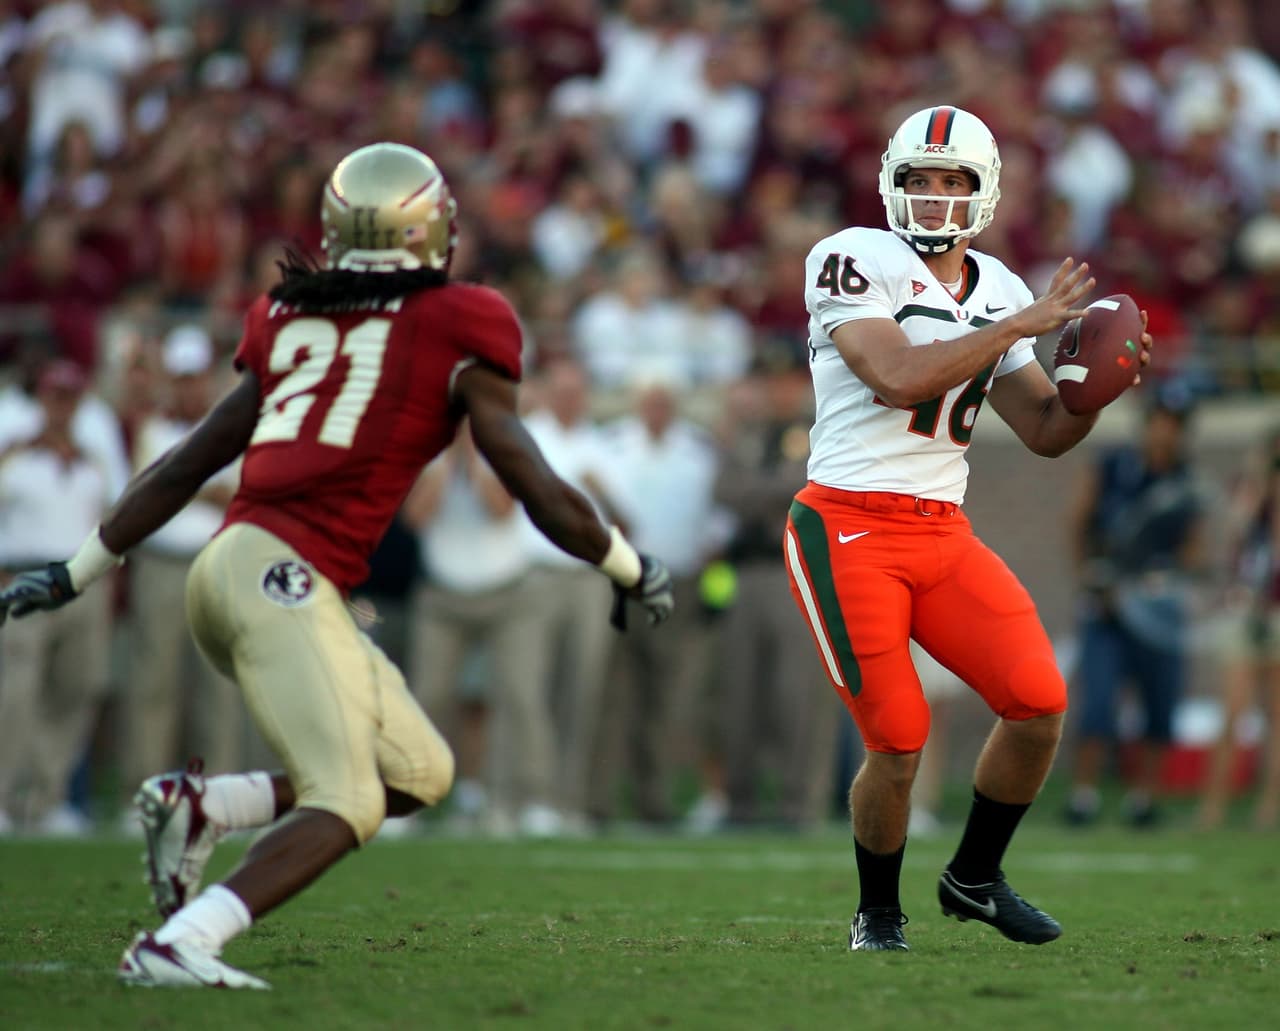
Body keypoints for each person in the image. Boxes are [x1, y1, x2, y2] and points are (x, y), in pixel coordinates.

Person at [0, 142, 674, 989]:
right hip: (282, 575)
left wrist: (76, 570)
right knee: (350, 796)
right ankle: (184, 938)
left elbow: (183, 463)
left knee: (419, 771)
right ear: (430, 232)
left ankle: (207, 804)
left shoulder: (286, 316)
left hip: (234, 570)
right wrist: (624, 560)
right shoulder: (461, 319)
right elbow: (530, 478)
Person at [786, 105, 1152, 952]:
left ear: (983, 192)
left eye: (954, 181)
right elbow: (894, 375)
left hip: (940, 528)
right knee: (900, 737)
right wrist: (1015, 329)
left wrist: (1097, 391)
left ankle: (974, 877)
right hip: (844, 524)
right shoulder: (851, 255)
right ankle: (878, 913)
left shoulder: (999, 287)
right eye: (921, 179)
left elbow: (1046, 431)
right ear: (891, 184)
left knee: (1038, 701)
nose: (937, 196)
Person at [1061, 383, 1206, 828]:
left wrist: (1171, 581)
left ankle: (1143, 799)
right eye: (1159, 421)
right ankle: (1083, 796)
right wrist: (1089, 574)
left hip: (1155, 605)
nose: (1165, 432)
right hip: (1108, 601)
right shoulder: (1111, 467)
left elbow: (1193, 550)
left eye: (1174, 424)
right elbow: (1079, 521)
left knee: (1159, 702)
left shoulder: (1185, 482)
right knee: (1099, 699)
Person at [0, 360, 113, 836]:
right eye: (54, 397)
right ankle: (5, 799)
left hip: (81, 579)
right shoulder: (15, 456)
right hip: (25, 575)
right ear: (41, 401)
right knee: (16, 692)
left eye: (70, 398)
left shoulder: (91, 460)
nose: (62, 407)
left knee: (76, 688)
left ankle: (47, 800)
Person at [1197, 425, 1280, 831]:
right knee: (1232, 710)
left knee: (1276, 717)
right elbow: (1237, 534)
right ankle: (1214, 806)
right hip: (1245, 606)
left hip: (1276, 608)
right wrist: (1260, 484)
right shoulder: (1249, 490)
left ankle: (1269, 809)